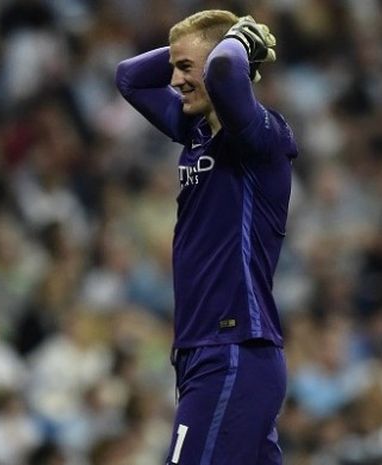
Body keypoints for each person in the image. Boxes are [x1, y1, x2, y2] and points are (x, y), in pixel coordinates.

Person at [116, 9, 297, 465]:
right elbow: (129, 78)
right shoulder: (194, 132)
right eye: (174, 67)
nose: (174, 81)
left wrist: (234, 44)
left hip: (233, 349)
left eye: (184, 68)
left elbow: (222, 70)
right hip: (203, 351)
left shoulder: (261, 139)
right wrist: (192, 50)